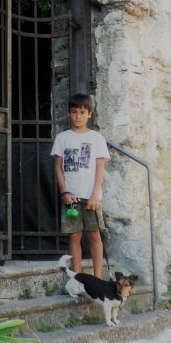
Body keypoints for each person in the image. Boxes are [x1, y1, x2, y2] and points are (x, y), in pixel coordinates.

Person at [52, 93, 111, 280]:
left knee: (94, 235)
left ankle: (98, 278)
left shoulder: (96, 138)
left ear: (89, 114)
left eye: (82, 112)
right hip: (72, 197)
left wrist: (94, 195)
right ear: (69, 114)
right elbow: (58, 168)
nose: (78, 116)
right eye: (74, 112)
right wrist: (65, 192)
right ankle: (77, 278)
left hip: (91, 196)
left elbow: (100, 168)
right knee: (75, 236)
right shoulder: (62, 138)